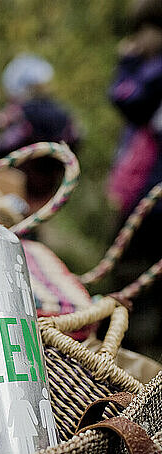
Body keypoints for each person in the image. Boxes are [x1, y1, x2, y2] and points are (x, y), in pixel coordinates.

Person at [107, 0, 162, 355]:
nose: (139, 39)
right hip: (147, 188)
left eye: (145, 30)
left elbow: (125, 99)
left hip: (153, 195)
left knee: (131, 268)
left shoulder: (154, 71)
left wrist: (127, 63)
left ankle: (127, 344)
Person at [0, 53, 81, 213]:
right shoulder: (62, 114)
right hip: (48, 187)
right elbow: (75, 141)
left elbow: (2, 148)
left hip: (19, 184)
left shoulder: (21, 113)